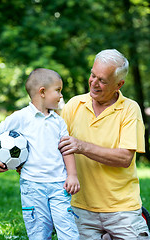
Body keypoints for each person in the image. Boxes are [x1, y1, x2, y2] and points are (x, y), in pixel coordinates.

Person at [58, 49, 150, 239]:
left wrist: (82, 146)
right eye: (93, 75)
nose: (94, 83)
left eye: (102, 80)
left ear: (119, 84)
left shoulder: (130, 110)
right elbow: (54, 145)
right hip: (80, 206)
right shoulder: (74, 105)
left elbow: (125, 158)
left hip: (122, 208)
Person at [0, 68, 80, 240]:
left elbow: (66, 149)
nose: (61, 96)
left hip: (59, 185)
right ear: (43, 92)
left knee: (69, 231)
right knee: (38, 232)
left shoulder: (58, 122)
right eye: (58, 90)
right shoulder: (21, 117)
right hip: (32, 186)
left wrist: (72, 175)